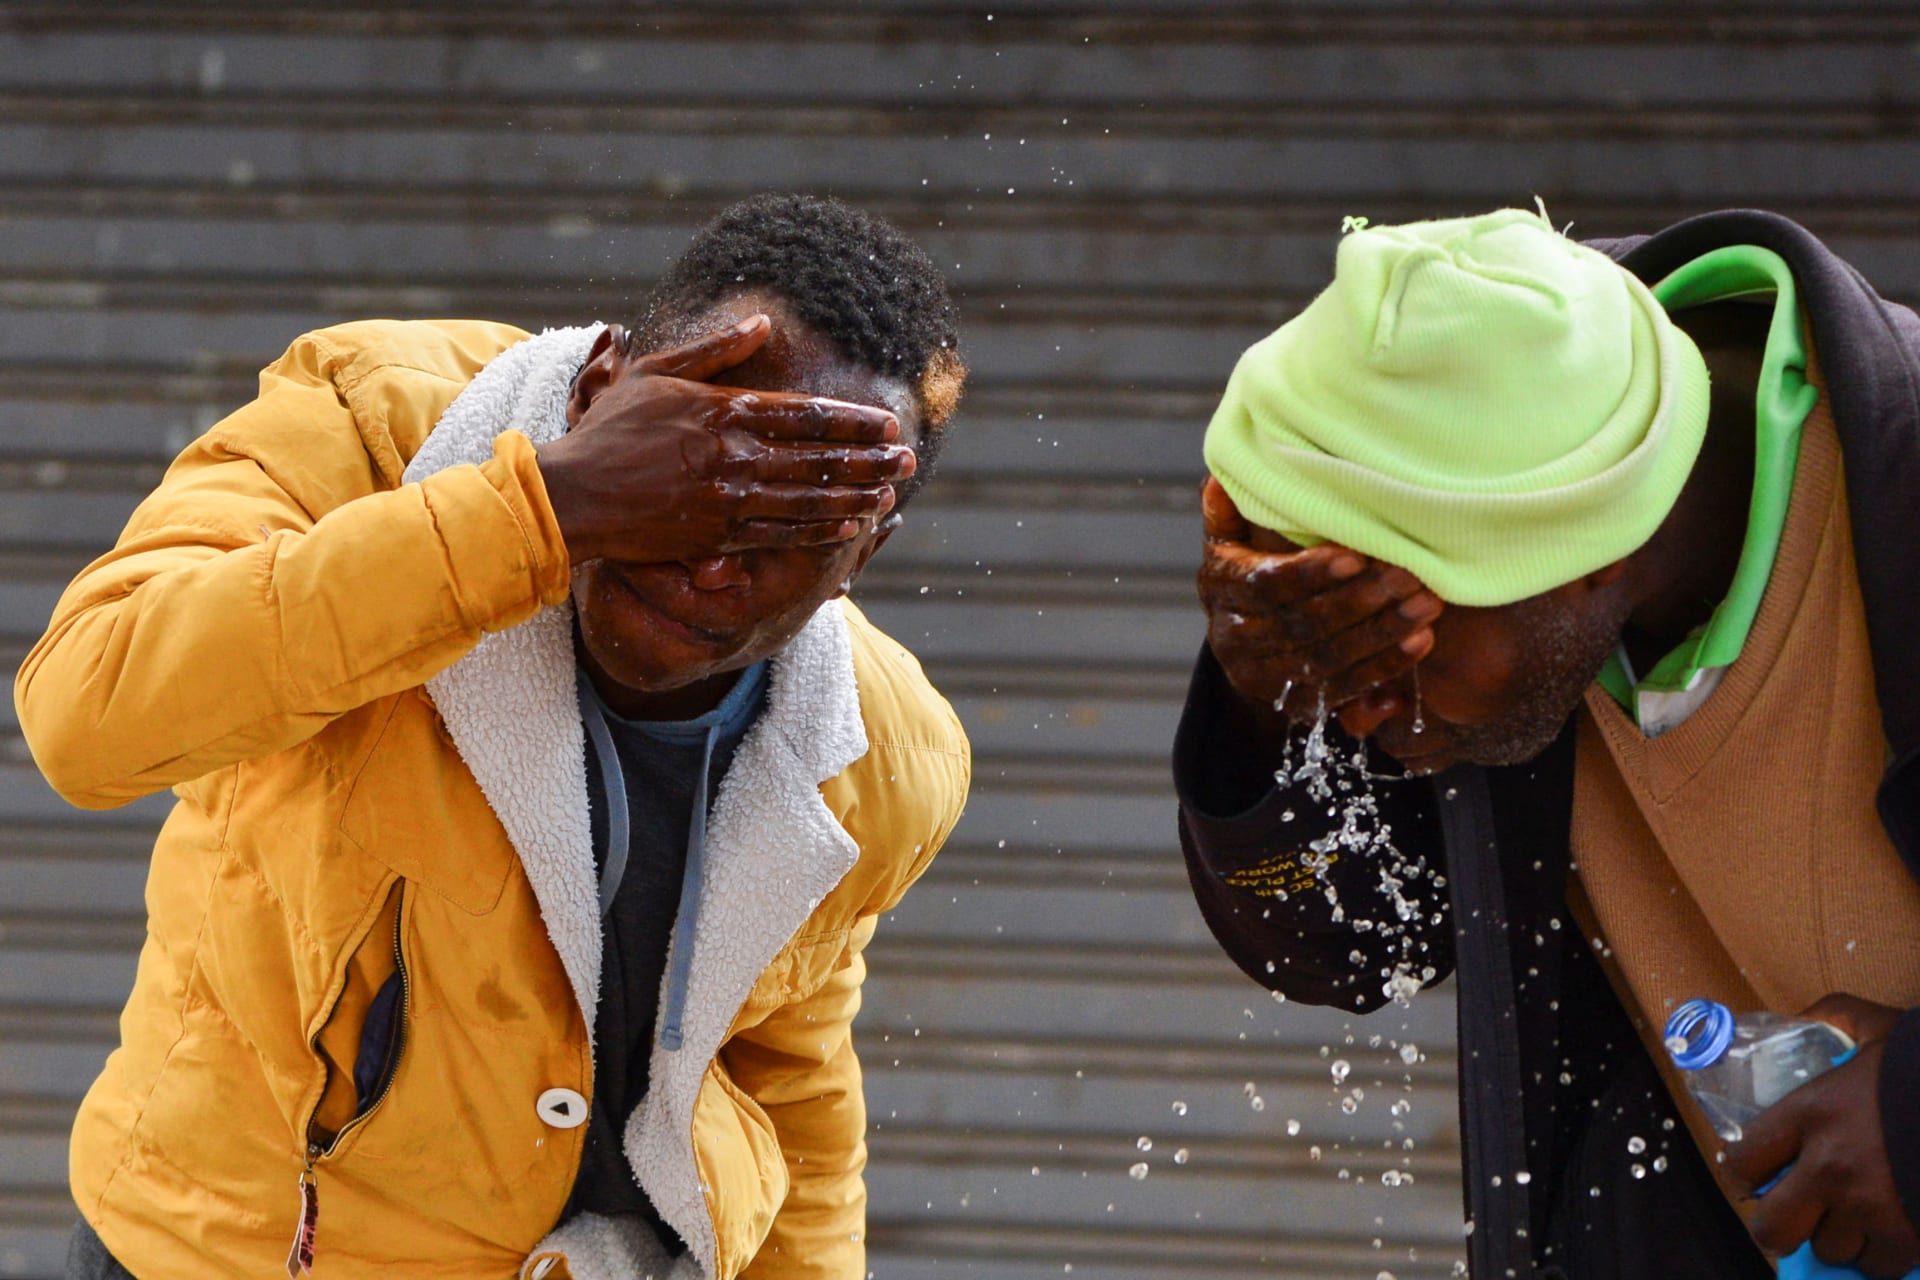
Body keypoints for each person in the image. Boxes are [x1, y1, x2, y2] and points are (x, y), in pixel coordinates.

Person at [15, 193, 972, 1280]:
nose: (715, 564)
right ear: (606, 392)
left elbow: (784, 1082)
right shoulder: (375, 424)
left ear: (869, 547)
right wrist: (540, 511)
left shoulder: (884, 754)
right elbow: (86, 712)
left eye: (791, 529)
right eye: (698, 485)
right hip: (217, 1250)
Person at [1174, 207, 1920, 1279]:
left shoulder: (1888, 496)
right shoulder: (1494, 524)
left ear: (1587, 555)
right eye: (1334, 644)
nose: (1365, 706)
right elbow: (1348, 950)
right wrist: (1269, 706)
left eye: (1396, 644)